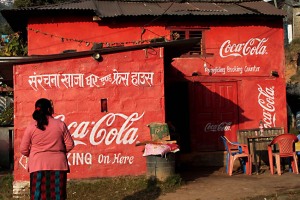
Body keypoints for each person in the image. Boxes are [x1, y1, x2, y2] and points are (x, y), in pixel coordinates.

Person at [20, 98, 74, 200]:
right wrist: (58, 151)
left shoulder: (31, 126)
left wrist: (34, 154)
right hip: (58, 165)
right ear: (49, 109)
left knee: (37, 196)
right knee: (58, 195)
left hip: (37, 165)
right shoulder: (60, 124)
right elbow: (70, 144)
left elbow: (23, 149)